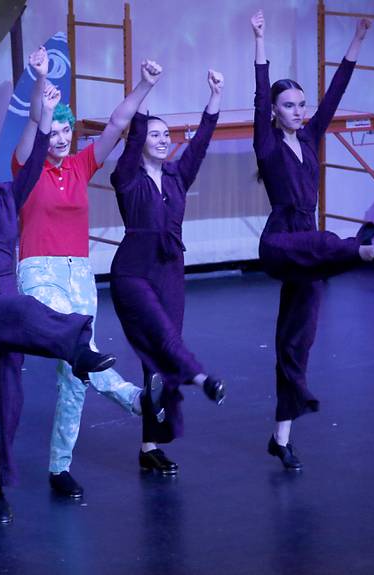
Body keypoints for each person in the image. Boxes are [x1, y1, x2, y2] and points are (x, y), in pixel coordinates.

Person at [0, 89, 121, 522]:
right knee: (26, 310)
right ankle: (77, 346)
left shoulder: (7, 195)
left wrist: (41, 92)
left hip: (6, 295)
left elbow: (40, 148)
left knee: (8, 401)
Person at [250, 10, 374, 470]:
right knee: (322, 242)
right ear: (276, 114)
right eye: (290, 106)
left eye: (301, 104)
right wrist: (260, 40)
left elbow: (335, 93)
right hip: (280, 241)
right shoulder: (268, 144)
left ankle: (281, 437)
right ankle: (363, 251)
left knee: (296, 341)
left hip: (312, 245)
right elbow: (260, 93)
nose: (299, 111)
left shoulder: (312, 137)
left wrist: (357, 40)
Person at [13, 48, 163, 498]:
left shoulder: (80, 165)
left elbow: (117, 124)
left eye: (64, 130)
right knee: (79, 346)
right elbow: (30, 133)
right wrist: (40, 84)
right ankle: (135, 400)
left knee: (75, 374)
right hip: (39, 273)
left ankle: (60, 468)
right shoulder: (27, 168)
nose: (58, 138)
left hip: (81, 274)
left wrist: (145, 84)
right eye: (52, 131)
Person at [108, 65, 227, 475]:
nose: (162, 140)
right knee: (159, 340)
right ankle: (199, 379)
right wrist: (147, 88)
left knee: (160, 356)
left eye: (166, 135)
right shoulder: (126, 177)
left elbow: (200, 145)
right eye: (154, 135)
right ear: (142, 142)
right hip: (133, 272)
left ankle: (149, 445)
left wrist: (214, 99)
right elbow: (132, 136)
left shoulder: (177, 176)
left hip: (171, 270)